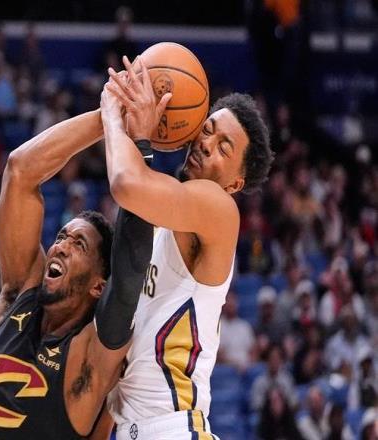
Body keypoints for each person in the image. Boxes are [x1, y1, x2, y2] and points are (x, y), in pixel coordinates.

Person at [0, 109, 154, 439]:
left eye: (78, 244)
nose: (61, 246)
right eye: (62, 236)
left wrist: (140, 146)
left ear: (98, 286)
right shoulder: (18, 296)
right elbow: (20, 170)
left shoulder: (89, 357)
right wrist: (108, 114)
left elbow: (129, 272)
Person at [100, 56, 274, 439]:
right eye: (207, 129)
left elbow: (126, 184)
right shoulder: (160, 217)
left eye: (224, 148)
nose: (206, 144)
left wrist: (115, 114)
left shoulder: (220, 209)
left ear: (235, 184)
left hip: (175, 426)